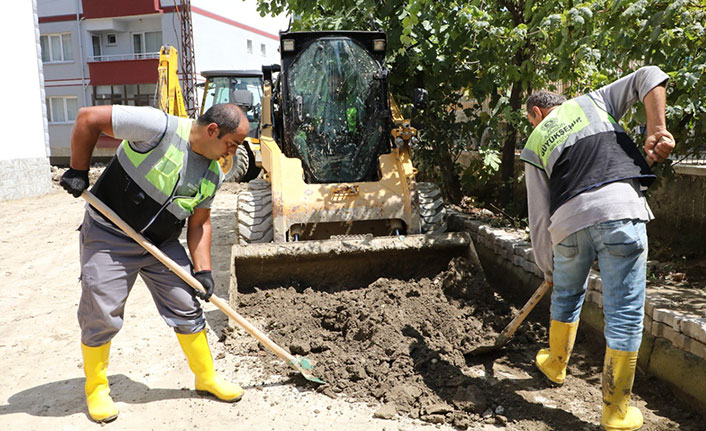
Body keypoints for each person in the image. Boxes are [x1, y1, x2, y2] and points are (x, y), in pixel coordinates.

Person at [59, 103, 249, 423]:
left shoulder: (213, 173)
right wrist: (78, 170)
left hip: (160, 244)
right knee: (102, 309)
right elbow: (87, 118)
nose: (232, 151)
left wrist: (202, 271)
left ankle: (205, 378)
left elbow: (199, 223)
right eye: (232, 142)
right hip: (110, 234)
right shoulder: (156, 127)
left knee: (186, 304)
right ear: (213, 130)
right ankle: (96, 388)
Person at [520, 66, 675, 431]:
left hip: (568, 223)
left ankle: (555, 364)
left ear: (537, 114)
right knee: (623, 312)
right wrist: (656, 129)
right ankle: (616, 412)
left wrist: (548, 269)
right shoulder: (594, 101)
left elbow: (539, 216)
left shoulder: (535, 142)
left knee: (568, 293)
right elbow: (651, 74)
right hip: (620, 209)